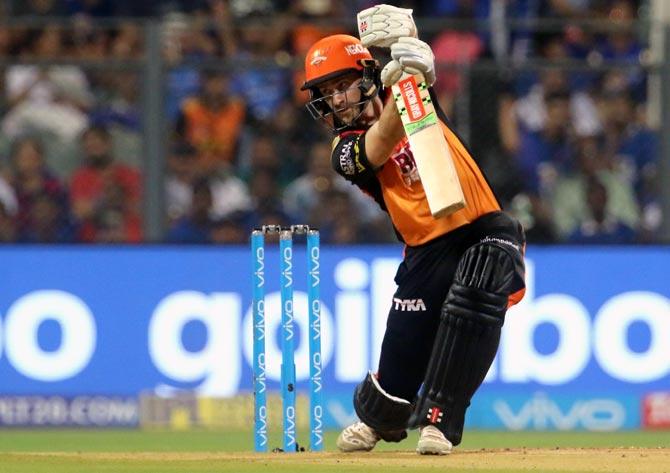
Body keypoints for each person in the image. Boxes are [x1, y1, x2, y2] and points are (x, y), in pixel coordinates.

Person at [301, 5, 526, 455]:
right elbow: (380, 143)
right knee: (397, 371)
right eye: (327, 93)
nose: (338, 100)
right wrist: (404, 84)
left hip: (480, 225)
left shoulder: (416, 95)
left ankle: (440, 422)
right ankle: (380, 419)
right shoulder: (344, 152)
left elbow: (416, 87)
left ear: (367, 77)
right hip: (424, 250)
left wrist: (414, 63)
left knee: (482, 279)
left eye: (342, 85)